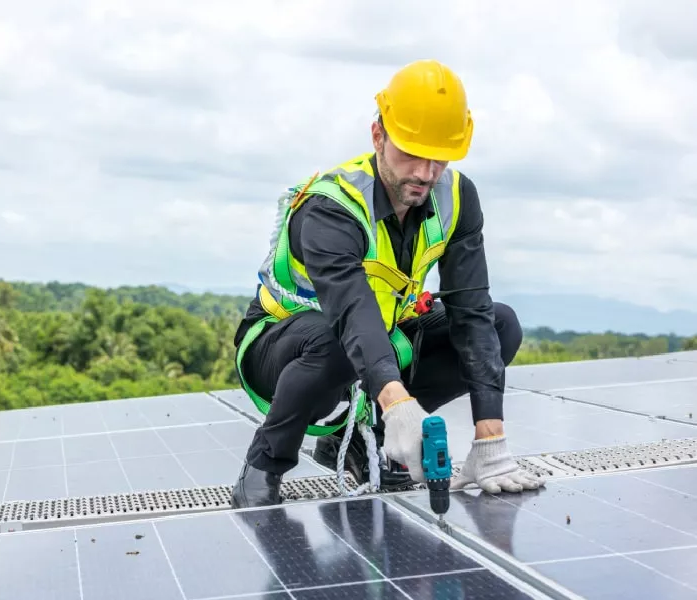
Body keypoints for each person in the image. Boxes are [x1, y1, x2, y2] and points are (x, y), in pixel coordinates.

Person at [230, 59, 546, 508]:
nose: (425, 172)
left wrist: (489, 437)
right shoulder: (331, 205)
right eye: (412, 153)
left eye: (438, 157)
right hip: (286, 347)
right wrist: (398, 401)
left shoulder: (456, 197)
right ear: (378, 135)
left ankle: (365, 438)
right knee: (339, 341)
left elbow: (470, 309)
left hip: (378, 338)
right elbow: (351, 311)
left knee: (500, 325)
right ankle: (265, 461)